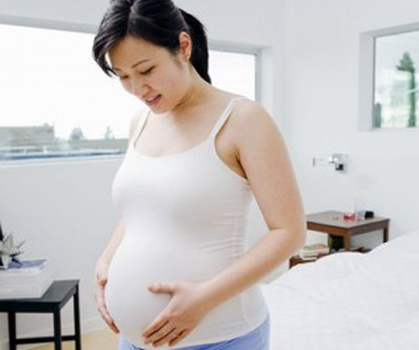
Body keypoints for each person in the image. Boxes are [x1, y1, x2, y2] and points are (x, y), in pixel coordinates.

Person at [91, 0, 306, 349]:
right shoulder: (140, 122)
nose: (137, 89)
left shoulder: (243, 120)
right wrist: (106, 263)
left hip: (219, 336)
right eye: (124, 77)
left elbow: (289, 232)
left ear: (183, 46)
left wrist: (203, 299)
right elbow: (140, 210)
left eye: (146, 70)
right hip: (134, 342)